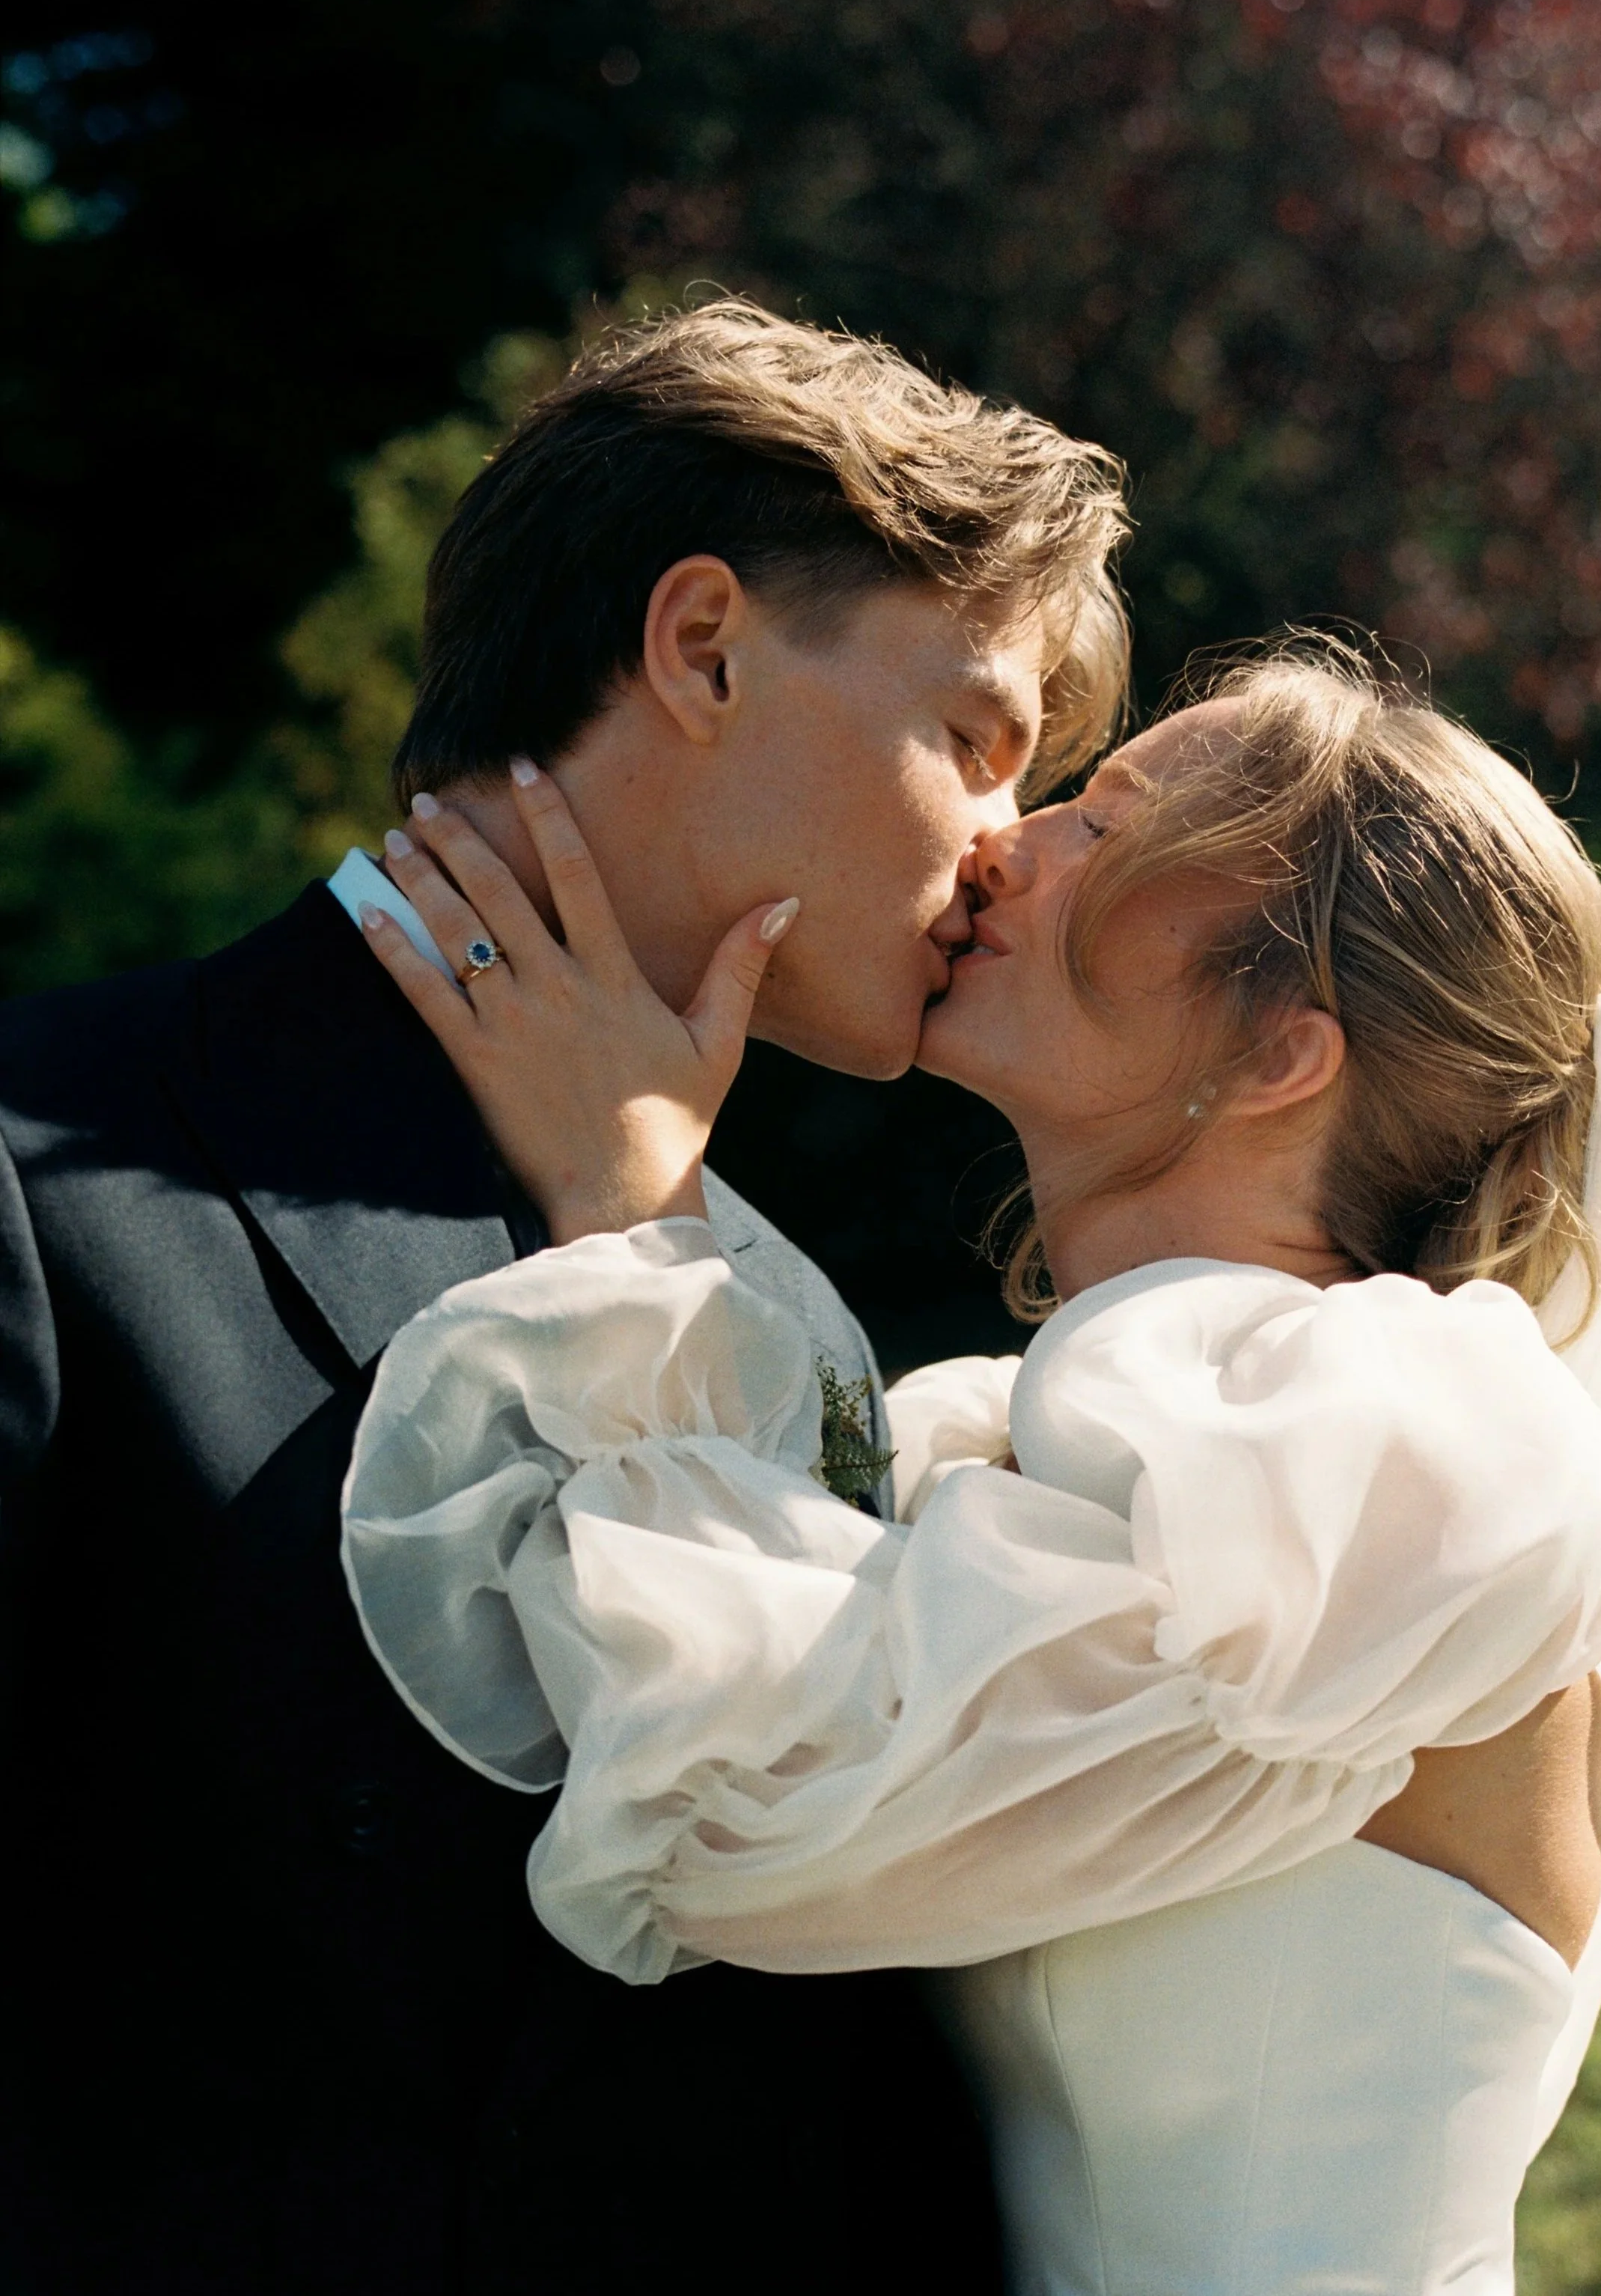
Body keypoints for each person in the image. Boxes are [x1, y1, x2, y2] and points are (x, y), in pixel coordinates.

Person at [341, 640, 1601, 2295]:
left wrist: (633, 1225)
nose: (1005, 840)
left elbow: (758, 1819)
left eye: (1105, 826)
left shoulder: (1387, 1486)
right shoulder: (1081, 1457)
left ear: (1280, 1054)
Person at [0, 300, 1129, 2295]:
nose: (1004, 848)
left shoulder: (776, 1314)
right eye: (973, 735)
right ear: (701, 645)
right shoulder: (36, 1179)